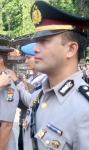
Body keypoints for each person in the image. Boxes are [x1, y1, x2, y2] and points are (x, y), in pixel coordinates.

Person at [23, 1, 89, 150]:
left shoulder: (85, 109)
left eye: (44, 41)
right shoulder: (37, 95)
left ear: (71, 49)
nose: (35, 49)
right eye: (36, 41)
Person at [8, 42, 47, 150]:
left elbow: (31, 102)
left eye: (28, 58)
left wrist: (16, 81)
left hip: (34, 125)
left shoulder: (44, 79)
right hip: (24, 123)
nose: (25, 61)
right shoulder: (31, 79)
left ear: (37, 57)